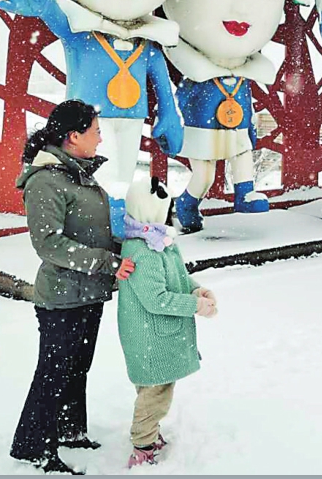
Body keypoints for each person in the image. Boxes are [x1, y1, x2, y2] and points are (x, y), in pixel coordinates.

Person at [11, 100, 135, 475]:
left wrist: (128, 246)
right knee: (53, 372)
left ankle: (69, 429)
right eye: (95, 131)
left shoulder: (78, 173)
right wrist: (106, 261)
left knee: (77, 368)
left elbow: (90, 230)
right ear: (73, 136)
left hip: (88, 293)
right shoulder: (47, 180)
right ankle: (34, 446)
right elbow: (48, 243)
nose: (100, 138)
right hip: (62, 297)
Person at [117, 176, 217, 469]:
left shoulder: (158, 242)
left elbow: (177, 277)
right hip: (150, 338)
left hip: (156, 335)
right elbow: (157, 299)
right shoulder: (144, 250)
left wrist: (195, 288)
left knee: (153, 390)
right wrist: (195, 306)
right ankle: (142, 445)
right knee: (155, 393)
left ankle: (148, 433)